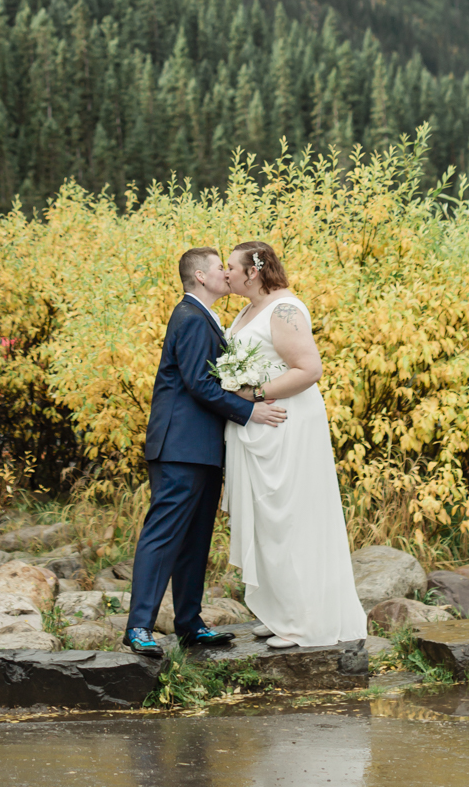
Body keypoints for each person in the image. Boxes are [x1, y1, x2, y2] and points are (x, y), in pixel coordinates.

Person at [124, 247, 288, 657]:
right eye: (220, 267)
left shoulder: (206, 318)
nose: (226, 273)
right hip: (180, 446)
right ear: (200, 276)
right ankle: (139, 626)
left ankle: (189, 624)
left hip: (202, 448)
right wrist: (250, 411)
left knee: (195, 538)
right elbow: (199, 384)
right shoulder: (191, 318)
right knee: (163, 536)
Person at [222, 240, 366, 649]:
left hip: (285, 427)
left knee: (289, 519)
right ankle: (280, 611)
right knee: (267, 521)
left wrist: (252, 395)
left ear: (253, 271)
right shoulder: (248, 309)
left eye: (231, 266)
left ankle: (304, 621)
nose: (227, 273)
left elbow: (309, 369)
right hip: (259, 430)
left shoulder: (285, 309)